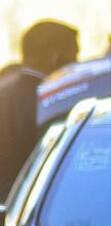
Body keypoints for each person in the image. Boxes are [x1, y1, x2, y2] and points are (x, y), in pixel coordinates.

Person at [0, 20, 78, 197]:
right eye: (74, 56)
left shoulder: (4, 91)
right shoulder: (56, 99)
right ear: (56, 57)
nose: (76, 65)